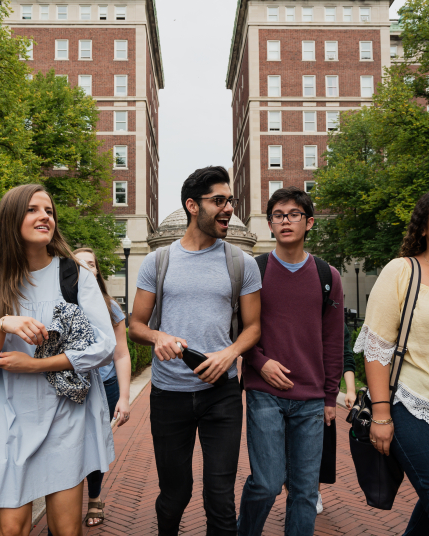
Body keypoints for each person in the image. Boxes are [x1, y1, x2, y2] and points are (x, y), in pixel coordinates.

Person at [0, 184, 116, 536]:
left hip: (66, 417)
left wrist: (36, 365)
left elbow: (104, 346)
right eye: (33, 209)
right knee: (12, 529)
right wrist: (3, 324)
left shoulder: (75, 275)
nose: (44, 216)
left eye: (48, 211)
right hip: (11, 419)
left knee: (65, 530)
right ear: (11, 219)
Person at [129, 165, 262, 536]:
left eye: (230, 201)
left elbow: (253, 327)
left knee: (220, 498)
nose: (228, 208)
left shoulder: (242, 263)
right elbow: (136, 325)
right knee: (175, 494)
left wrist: (229, 354)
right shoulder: (158, 261)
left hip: (222, 395)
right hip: (169, 395)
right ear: (192, 205)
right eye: (217, 200)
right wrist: (158, 338)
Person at [356, 189, 429, 535]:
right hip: (417, 408)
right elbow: (377, 350)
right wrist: (380, 414)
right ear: (423, 227)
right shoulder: (402, 271)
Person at [237, 186, 344, 536]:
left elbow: (333, 339)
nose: (286, 221)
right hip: (264, 392)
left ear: (309, 222)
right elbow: (238, 329)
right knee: (266, 484)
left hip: (311, 400)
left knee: (304, 492)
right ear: (270, 225)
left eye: (294, 214)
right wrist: (260, 362)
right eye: (279, 216)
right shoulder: (255, 270)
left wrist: (330, 397)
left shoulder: (328, 276)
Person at [73, 248, 132, 526]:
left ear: (97, 270)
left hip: (104, 384)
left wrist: (124, 397)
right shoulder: (63, 303)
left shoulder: (110, 307)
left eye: (91, 264)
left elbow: (121, 354)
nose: (85, 268)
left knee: (96, 444)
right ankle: (67, 504)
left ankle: (94, 498)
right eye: (78, 264)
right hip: (69, 387)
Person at [316, 323, 356, 514]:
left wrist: (350, 390)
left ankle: (313, 493)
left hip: (324, 393)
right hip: (298, 386)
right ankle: (297, 493)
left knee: (321, 448)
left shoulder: (338, 321)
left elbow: (345, 356)